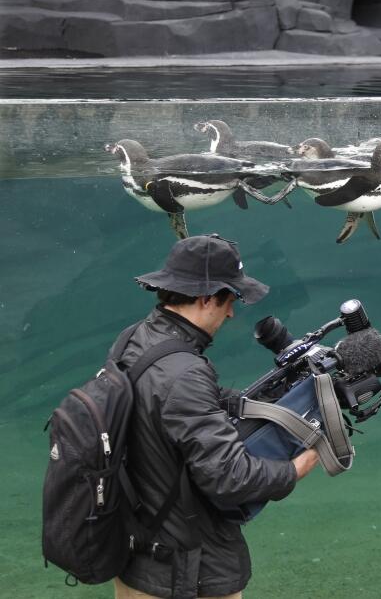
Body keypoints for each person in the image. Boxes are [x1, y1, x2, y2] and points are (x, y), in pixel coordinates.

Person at [113, 234, 320, 599]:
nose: (231, 313)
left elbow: (174, 410)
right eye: (230, 300)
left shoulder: (135, 339)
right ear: (207, 298)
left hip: (138, 554)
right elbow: (230, 477)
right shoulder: (184, 371)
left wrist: (260, 403)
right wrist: (298, 467)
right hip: (187, 571)